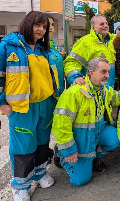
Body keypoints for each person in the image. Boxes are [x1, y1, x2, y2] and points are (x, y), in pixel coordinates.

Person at [0, 11, 62, 201]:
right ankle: (19, 185)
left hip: (46, 104)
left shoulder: (44, 49)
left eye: (44, 27)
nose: (41, 30)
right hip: (22, 107)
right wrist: (2, 103)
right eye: (37, 25)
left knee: (42, 142)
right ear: (27, 24)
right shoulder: (8, 46)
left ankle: (40, 173)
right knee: (23, 147)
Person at [52, 57, 120, 186]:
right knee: (80, 180)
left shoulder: (103, 89)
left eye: (108, 72)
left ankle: (94, 156)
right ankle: (61, 154)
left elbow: (113, 98)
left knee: (119, 137)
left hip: (97, 132)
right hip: (81, 138)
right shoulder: (73, 93)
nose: (107, 75)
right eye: (103, 71)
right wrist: (69, 149)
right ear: (90, 72)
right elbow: (61, 124)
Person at [63, 15, 117, 87]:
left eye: (106, 23)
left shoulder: (112, 41)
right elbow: (71, 62)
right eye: (101, 24)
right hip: (91, 91)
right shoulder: (85, 42)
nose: (105, 26)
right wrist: (75, 77)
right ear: (93, 27)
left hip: (108, 89)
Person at [48, 15, 65, 97]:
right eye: (47, 25)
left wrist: (61, 56)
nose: (50, 27)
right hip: (48, 93)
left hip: (57, 90)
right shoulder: (37, 46)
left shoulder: (52, 44)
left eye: (52, 25)